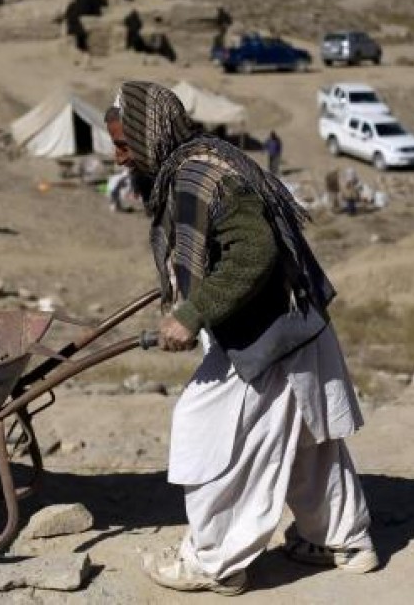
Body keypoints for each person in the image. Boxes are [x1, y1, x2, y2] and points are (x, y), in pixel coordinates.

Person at [105, 82, 376, 596]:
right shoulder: (200, 161)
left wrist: (194, 312)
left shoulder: (198, 176)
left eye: (124, 145)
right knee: (304, 443)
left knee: (205, 431)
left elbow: (254, 252)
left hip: (268, 335)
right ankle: (343, 541)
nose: (118, 158)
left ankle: (215, 562)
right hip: (292, 323)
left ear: (151, 133)